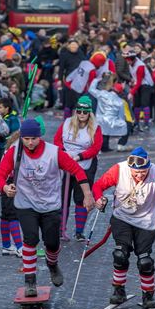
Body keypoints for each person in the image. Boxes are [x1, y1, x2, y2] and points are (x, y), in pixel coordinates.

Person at [0, 119, 94, 297]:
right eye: (26, 139)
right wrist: (5, 187)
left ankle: (52, 265)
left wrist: (87, 194)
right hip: (25, 204)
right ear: (21, 137)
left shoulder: (54, 152)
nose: (30, 142)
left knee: (52, 243)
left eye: (33, 138)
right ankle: (30, 280)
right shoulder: (14, 152)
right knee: (30, 239)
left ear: (39, 137)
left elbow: (77, 170)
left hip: (50, 204)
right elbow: (0, 175)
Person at [92, 147, 155, 309]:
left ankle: (148, 295)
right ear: (130, 168)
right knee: (120, 254)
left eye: (143, 171)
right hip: (122, 218)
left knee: (145, 260)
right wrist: (99, 198)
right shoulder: (119, 170)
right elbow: (98, 186)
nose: (140, 175)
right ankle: (118, 291)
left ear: (149, 167)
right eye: (136, 172)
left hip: (146, 221)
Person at [53, 95, 103, 241]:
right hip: (66, 163)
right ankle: (61, 229)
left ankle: (79, 231)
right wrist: (63, 153)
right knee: (63, 197)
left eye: (85, 112)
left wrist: (80, 156)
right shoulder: (67, 123)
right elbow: (57, 140)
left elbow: (95, 148)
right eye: (79, 111)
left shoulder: (95, 127)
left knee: (81, 197)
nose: (81, 114)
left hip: (85, 164)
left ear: (89, 113)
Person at [88, 75, 130, 152]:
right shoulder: (120, 101)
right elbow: (121, 117)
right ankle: (121, 144)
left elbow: (91, 89)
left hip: (100, 120)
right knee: (127, 124)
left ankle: (103, 147)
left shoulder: (102, 94)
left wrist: (96, 79)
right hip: (112, 122)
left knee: (103, 128)